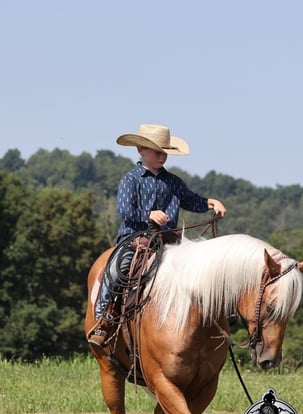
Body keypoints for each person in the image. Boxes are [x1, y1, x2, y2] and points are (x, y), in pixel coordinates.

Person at [88, 123, 227, 348]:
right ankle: (104, 320)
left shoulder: (173, 181)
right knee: (115, 271)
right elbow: (124, 210)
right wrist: (148, 215)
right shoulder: (130, 179)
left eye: (165, 152)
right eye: (156, 151)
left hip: (168, 240)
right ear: (141, 150)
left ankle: (211, 319)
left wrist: (210, 203)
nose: (162, 156)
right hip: (135, 239)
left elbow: (191, 200)